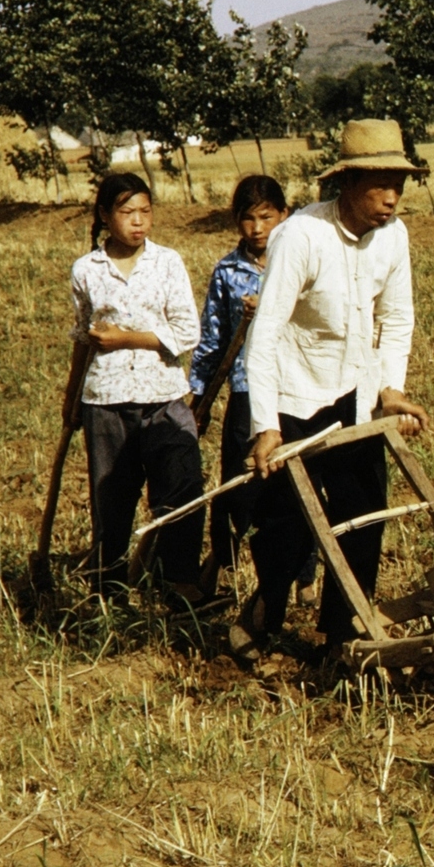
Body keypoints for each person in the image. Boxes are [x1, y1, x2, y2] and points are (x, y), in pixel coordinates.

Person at [232, 119, 430, 660]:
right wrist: (266, 427)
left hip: (356, 393)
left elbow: (397, 317)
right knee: (285, 527)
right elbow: (266, 333)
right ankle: (261, 616)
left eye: (400, 186)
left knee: (363, 516)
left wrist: (390, 388)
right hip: (295, 393)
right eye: (379, 186)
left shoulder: (394, 236)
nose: (392, 199)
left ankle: (343, 637)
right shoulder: (301, 236)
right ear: (346, 183)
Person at [62, 173, 206, 599]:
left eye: (145, 211)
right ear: (105, 216)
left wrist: (128, 339)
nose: (138, 221)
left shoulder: (168, 262)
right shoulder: (86, 270)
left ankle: (181, 584)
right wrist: (72, 399)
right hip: (105, 400)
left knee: (183, 489)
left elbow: (187, 331)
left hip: (163, 395)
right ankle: (107, 587)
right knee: (111, 499)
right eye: (127, 213)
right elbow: (82, 339)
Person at [190, 173, 287, 595]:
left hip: (293, 388)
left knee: (292, 486)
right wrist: (199, 392)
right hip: (247, 389)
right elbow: (212, 337)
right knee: (235, 481)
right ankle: (223, 563)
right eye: (248, 219)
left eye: (267, 217)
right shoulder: (228, 271)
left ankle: (299, 575)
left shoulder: (297, 261)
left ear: (284, 215)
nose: (258, 228)